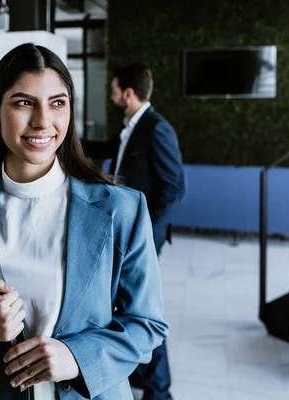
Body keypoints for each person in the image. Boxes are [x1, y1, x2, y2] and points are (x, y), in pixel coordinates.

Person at [0, 43, 168, 400]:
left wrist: (77, 357)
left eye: (57, 103)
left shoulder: (121, 208)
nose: (43, 120)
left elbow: (147, 325)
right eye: (24, 102)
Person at [84, 63, 185, 400]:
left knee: (143, 311)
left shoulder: (157, 129)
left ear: (128, 93)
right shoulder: (132, 127)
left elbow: (174, 188)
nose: (113, 97)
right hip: (125, 235)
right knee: (127, 305)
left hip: (141, 239)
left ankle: (160, 391)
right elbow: (102, 148)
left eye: (114, 90)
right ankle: (144, 376)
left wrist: (147, 236)